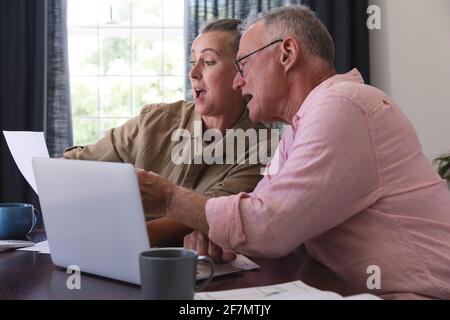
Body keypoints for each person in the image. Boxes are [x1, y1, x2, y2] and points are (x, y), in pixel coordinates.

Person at [136, 5, 450, 299]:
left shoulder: (342, 104)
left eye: (243, 63)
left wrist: (168, 198)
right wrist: (217, 235)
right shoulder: (301, 125)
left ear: (287, 53)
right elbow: (261, 210)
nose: (237, 81)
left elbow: (268, 227)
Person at [64, 19, 273, 247]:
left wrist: (104, 237)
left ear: (242, 71)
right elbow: (73, 166)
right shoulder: (155, 121)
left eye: (209, 61)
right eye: (193, 62)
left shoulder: (265, 149)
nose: (193, 72)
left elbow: (206, 213)